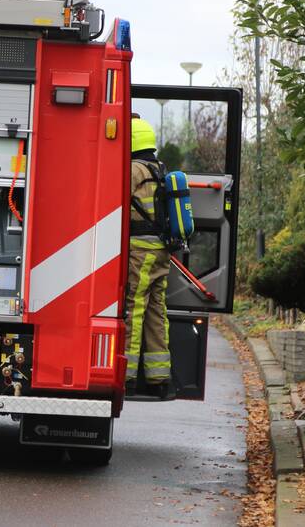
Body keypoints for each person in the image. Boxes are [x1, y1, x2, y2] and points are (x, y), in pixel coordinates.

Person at [125, 117, 173, 400]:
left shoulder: (133, 170)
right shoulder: (160, 169)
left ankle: (128, 374)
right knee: (157, 309)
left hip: (140, 251)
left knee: (136, 307)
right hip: (161, 251)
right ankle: (159, 377)